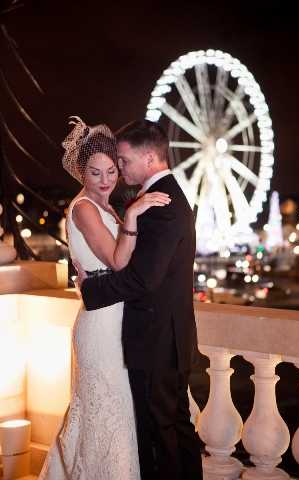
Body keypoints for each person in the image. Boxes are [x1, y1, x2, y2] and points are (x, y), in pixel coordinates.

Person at [38, 116, 170, 480]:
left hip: (116, 318)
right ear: (82, 173)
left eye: (112, 170)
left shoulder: (106, 207)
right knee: (104, 412)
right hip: (100, 324)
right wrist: (134, 213)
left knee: (115, 413)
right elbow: (116, 259)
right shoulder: (83, 208)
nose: (106, 180)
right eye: (95, 173)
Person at [78, 120, 203, 480]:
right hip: (168, 337)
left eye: (125, 159)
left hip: (154, 338)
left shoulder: (160, 205)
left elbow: (143, 278)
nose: (121, 167)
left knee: (158, 434)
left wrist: (91, 289)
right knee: (176, 427)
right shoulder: (168, 195)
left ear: (149, 157)